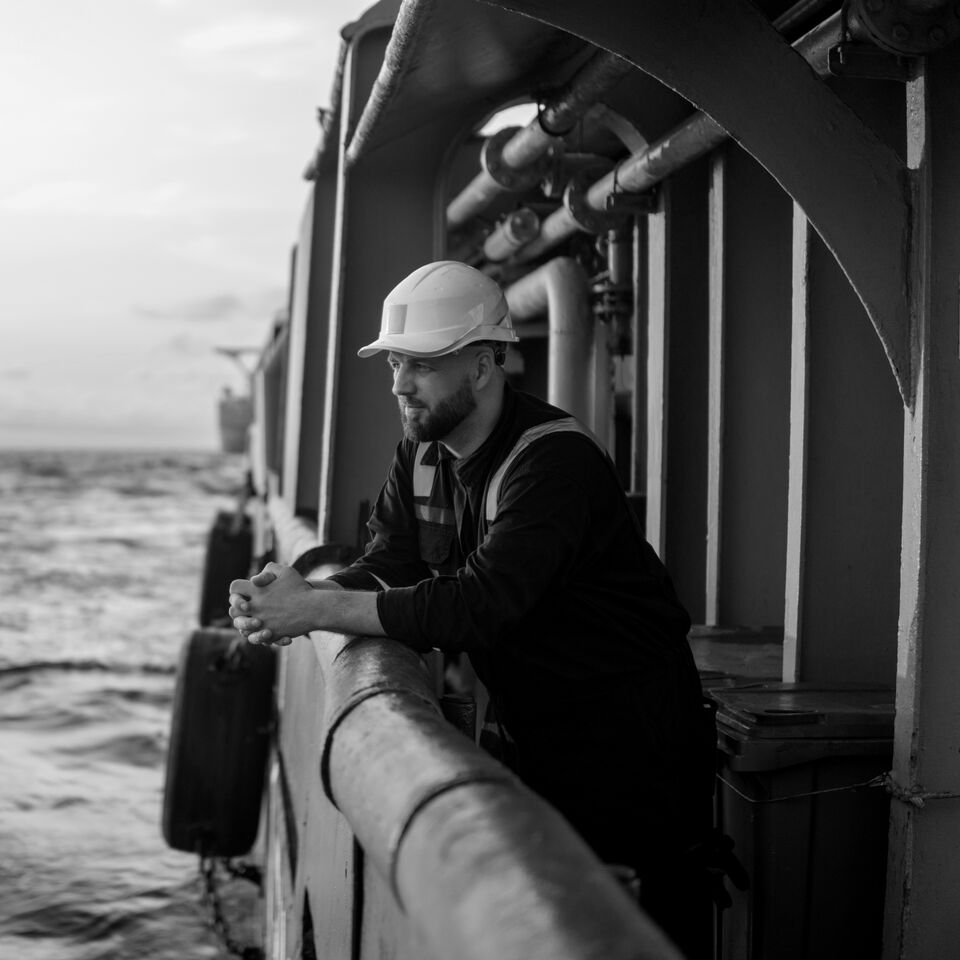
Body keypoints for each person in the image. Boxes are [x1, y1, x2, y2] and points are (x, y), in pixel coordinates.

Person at [229, 260, 719, 957]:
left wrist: (314, 612)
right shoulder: (423, 452)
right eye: (396, 362)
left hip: (634, 754)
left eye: (422, 365)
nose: (400, 384)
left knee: (630, 932)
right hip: (537, 735)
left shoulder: (552, 463)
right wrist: (297, 599)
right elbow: (392, 561)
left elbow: (480, 607)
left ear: (484, 365)